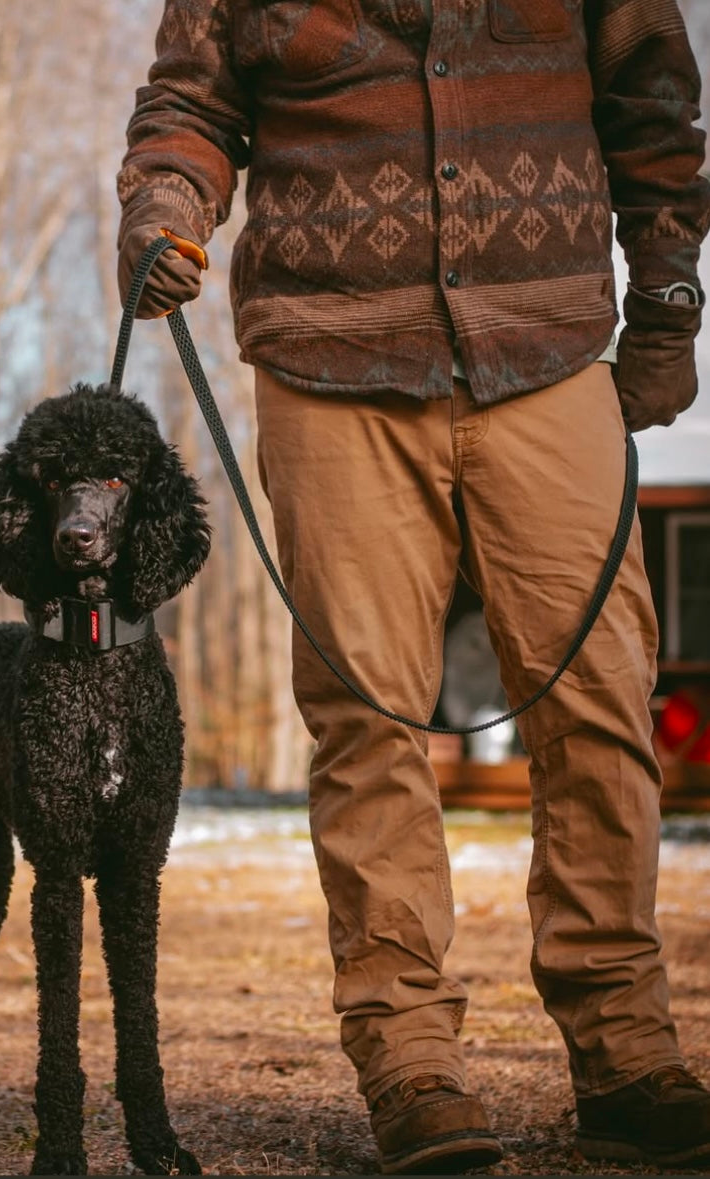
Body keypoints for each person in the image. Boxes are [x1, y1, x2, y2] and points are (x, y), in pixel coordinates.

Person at [117, 0, 710, 1173]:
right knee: (368, 720)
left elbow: (653, 101)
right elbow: (190, 103)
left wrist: (669, 302)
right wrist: (163, 208)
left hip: (547, 351)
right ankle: (410, 1061)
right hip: (329, 361)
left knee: (600, 704)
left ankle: (626, 1051)